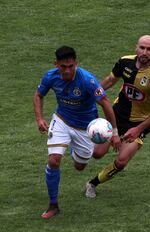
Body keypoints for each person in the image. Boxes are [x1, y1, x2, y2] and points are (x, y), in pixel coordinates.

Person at [33, 46, 121, 219]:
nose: (67, 70)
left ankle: (74, 149)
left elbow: (105, 104)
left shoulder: (87, 81)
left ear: (76, 64)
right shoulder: (50, 76)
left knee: (80, 167)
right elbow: (38, 95)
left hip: (84, 128)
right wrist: (40, 119)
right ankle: (53, 204)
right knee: (54, 160)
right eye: (63, 67)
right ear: (56, 64)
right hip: (62, 121)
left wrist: (115, 133)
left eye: (70, 66)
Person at [85, 35, 150, 198]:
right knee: (97, 153)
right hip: (117, 115)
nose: (145, 52)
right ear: (136, 48)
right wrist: (89, 97)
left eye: (149, 49)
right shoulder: (125, 62)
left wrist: (138, 129)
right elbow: (109, 80)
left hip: (139, 123)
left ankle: (92, 184)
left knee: (122, 161)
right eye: (142, 48)